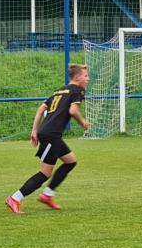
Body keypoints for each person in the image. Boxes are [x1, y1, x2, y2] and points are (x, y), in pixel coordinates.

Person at [6, 64, 90, 213]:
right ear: (77, 77)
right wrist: (83, 122)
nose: (87, 79)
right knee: (45, 173)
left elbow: (41, 109)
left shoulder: (59, 91)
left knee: (70, 161)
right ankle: (15, 198)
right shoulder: (78, 90)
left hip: (50, 133)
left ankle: (48, 195)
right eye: (85, 76)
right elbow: (73, 110)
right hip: (51, 135)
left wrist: (35, 130)